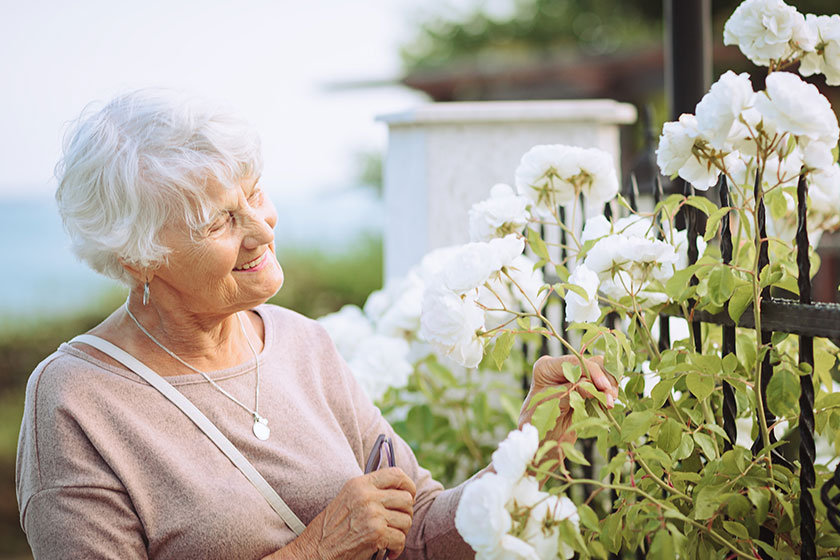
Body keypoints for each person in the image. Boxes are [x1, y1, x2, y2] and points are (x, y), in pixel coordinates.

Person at [15, 90, 618, 560]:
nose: (262, 229)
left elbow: (422, 532)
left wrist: (533, 446)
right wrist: (318, 548)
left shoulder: (303, 344)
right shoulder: (78, 400)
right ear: (138, 255)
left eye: (254, 194)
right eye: (220, 221)